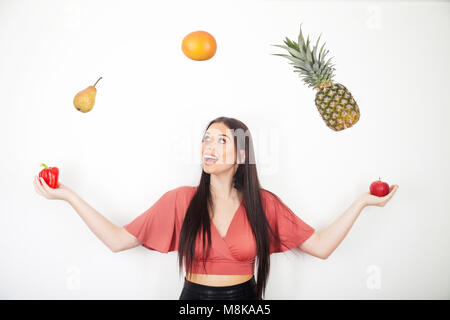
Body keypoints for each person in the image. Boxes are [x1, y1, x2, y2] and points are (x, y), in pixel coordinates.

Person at [33, 116, 399, 300]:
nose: (208, 145)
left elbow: (320, 247)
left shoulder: (263, 204)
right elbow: (116, 240)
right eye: (205, 138)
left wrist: (363, 202)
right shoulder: (180, 200)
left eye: (220, 139)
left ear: (241, 155)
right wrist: (68, 196)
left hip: (245, 299)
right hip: (194, 300)